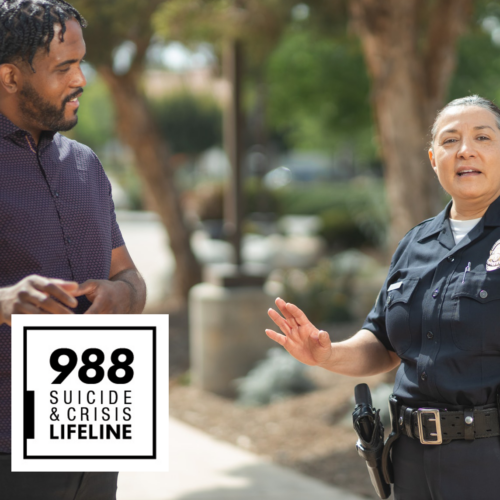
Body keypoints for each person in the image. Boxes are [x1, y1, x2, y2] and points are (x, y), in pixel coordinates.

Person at [267, 94, 500, 499]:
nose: (465, 150)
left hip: (487, 463)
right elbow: (383, 343)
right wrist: (326, 353)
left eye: (483, 137)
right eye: (450, 141)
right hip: (407, 460)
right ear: (432, 159)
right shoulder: (415, 243)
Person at [0, 1, 147, 499]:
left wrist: (122, 295)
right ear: (11, 77)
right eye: (64, 67)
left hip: (96, 437)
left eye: (81, 62)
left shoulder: (87, 166)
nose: (81, 80)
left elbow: (129, 277)